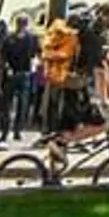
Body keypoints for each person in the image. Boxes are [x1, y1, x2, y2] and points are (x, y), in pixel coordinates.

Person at [39, 8, 88, 140]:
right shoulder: (66, 35)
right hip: (61, 74)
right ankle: (53, 133)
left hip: (58, 74)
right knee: (58, 105)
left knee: (57, 104)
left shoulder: (62, 34)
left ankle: (52, 132)